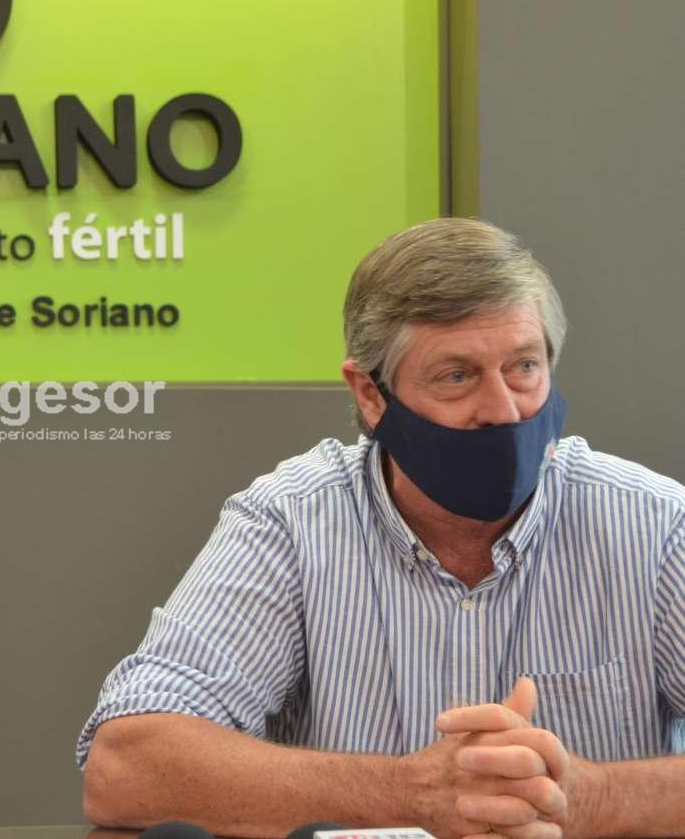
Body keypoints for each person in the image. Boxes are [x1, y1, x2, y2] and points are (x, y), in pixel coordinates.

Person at [78, 219, 685, 838]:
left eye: (523, 367)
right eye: (457, 376)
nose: (503, 410)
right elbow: (126, 767)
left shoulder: (655, 524)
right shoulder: (293, 520)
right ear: (371, 394)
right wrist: (412, 793)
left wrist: (588, 799)